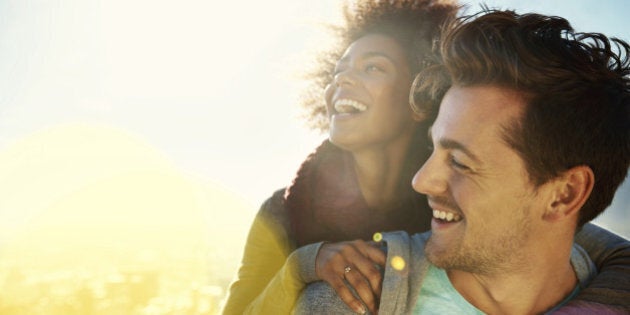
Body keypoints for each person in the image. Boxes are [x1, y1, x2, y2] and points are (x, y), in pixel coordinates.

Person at [295, 8, 630, 314]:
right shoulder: (343, 302)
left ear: (565, 194)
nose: (422, 181)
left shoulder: (612, 280)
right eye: (433, 150)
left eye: (459, 162)